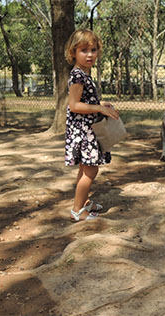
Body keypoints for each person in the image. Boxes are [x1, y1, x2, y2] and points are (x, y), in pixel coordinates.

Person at [64, 29, 120, 221]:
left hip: (87, 129)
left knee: (84, 168)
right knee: (91, 170)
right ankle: (77, 211)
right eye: (84, 50)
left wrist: (101, 104)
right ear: (73, 52)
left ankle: (84, 202)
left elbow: (85, 100)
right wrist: (99, 109)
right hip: (83, 132)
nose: (90, 54)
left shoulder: (84, 74)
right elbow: (74, 105)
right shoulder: (78, 76)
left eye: (93, 50)